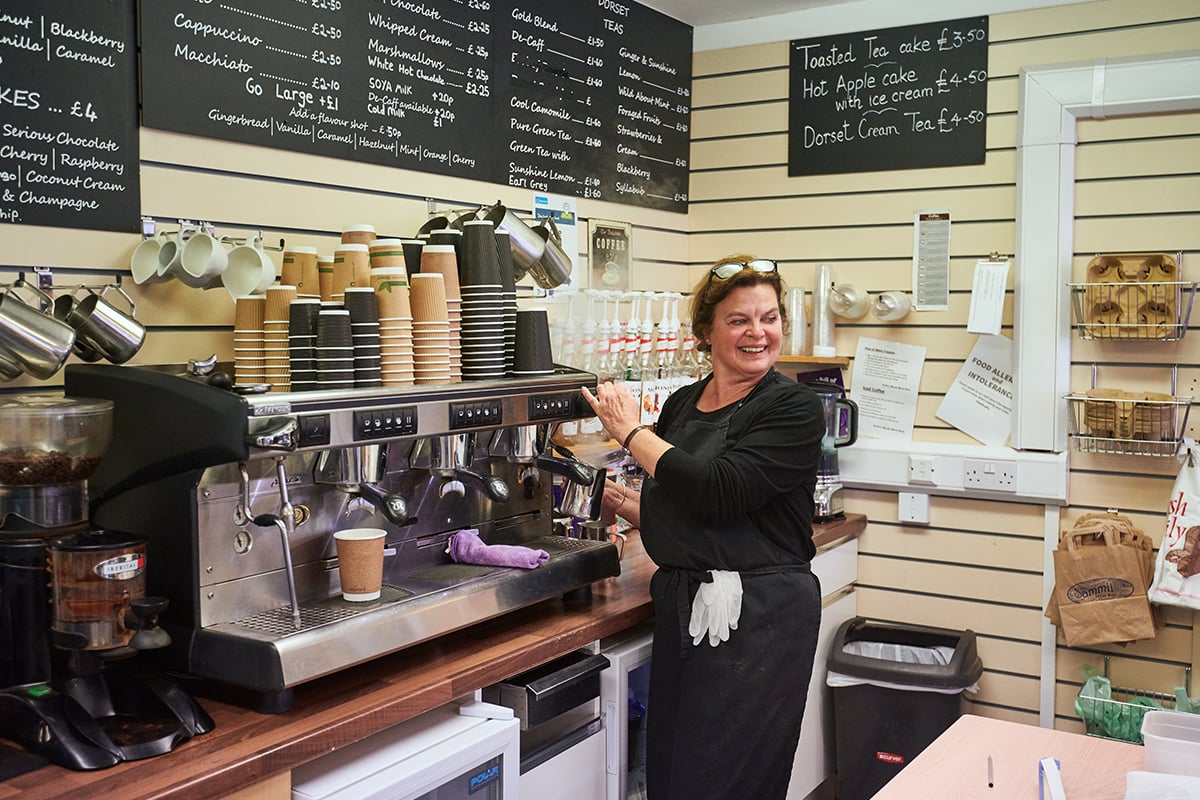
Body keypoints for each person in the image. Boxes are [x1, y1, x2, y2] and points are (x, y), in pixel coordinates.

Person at [582, 255, 825, 800]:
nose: (758, 333)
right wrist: (615, 499)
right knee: (673, 777)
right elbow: (684, 507)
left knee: (730, 783)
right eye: (739, 320)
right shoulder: (682, 403)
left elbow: (720, 488)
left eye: (769, 318)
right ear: (706, 331)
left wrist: (628, 431)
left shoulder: (794, 408)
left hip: (761, 619)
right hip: (684, 607)